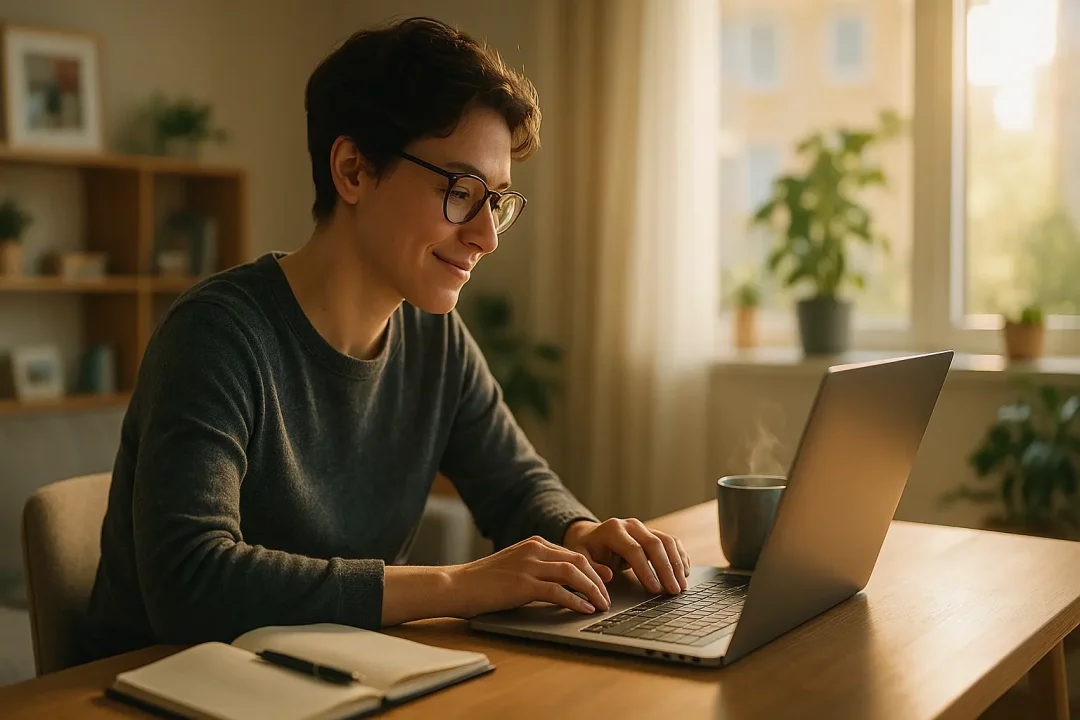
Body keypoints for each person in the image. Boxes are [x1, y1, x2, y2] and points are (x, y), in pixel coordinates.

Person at [86, 16, 691, 661]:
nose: (486, 236)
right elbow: (190, 583)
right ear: (352, 170)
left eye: (499, 202)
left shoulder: (436, 341)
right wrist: (455, 585)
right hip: (158, 688)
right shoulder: (217, 334)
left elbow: (516, 489)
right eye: (460, 192)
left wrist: (580, 534)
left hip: (330, 675)